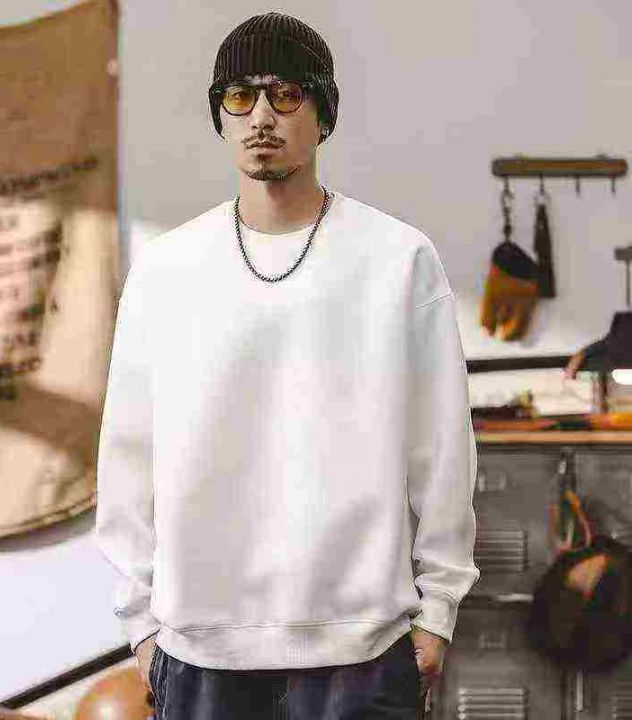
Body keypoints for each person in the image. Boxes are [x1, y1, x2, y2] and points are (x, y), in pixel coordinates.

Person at [95, 11, 480, 719]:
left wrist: (439, 610)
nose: (262, 116)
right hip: (200, 651)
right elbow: (127, 454)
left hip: (363, 648)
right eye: (240, 96)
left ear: (323, 114)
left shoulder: (398, 260)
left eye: (286, 94)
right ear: (221, 114)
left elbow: (443, 447)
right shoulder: (166, 270)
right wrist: (141, 621)